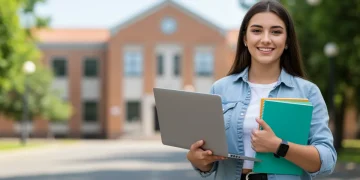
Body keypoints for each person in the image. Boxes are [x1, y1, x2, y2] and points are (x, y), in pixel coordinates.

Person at [186, 0, 337, 180]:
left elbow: (327, 161)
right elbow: (208, 162)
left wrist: (279, 146)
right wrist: (198, 160)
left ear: (287, 40)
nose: (266, 39)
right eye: (257, 31)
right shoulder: (221, 89)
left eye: (276, 32)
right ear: (245, 38)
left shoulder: (307, 92)